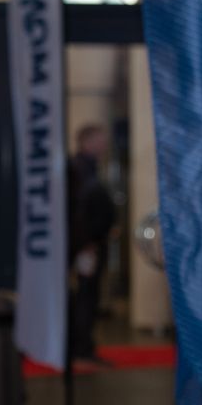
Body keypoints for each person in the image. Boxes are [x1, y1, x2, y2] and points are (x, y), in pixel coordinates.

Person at [68, 123, 117, 363]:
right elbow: (80, 209)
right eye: (100, 139)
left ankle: (82, 344)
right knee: (86, 295)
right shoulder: (79, 168)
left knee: (88, 294)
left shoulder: (89, 168)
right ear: (86, 141)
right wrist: (87, 241)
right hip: (86, 245)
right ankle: (82, 346)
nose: (104, 145)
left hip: (90, 242)